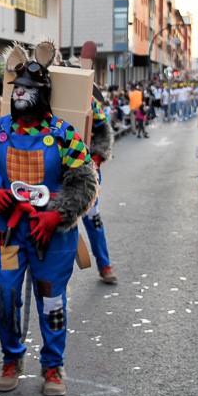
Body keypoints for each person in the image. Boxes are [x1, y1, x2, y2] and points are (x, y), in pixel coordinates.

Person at [0, 42, 97, 396]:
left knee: (51, 298)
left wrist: (57, 214)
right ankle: (12, 358)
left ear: (44, 94)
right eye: (18, 88)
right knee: (6, 294)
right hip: (7, 233)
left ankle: (53, 366)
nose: (21, 93)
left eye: (28, 89)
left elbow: (84, 180)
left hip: (50, 237)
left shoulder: (63, 134)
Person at [83, 97, 118, 284]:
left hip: (87, 170)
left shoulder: (89, 100)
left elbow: (103, 128)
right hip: (55, 171)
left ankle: (104, 265)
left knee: (92, 218)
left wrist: (97, 155)